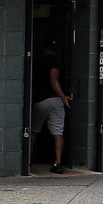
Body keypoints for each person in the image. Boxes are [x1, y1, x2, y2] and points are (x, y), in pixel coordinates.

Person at [33, 42, 70, 173]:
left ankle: (29, 160)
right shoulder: (55, 61)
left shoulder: (35, 61)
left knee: (33, 130)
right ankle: (57, 162)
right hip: (55, 99)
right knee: (58, 132)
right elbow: (53, 80)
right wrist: (63, 97)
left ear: (43, 48)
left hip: (39, 100)